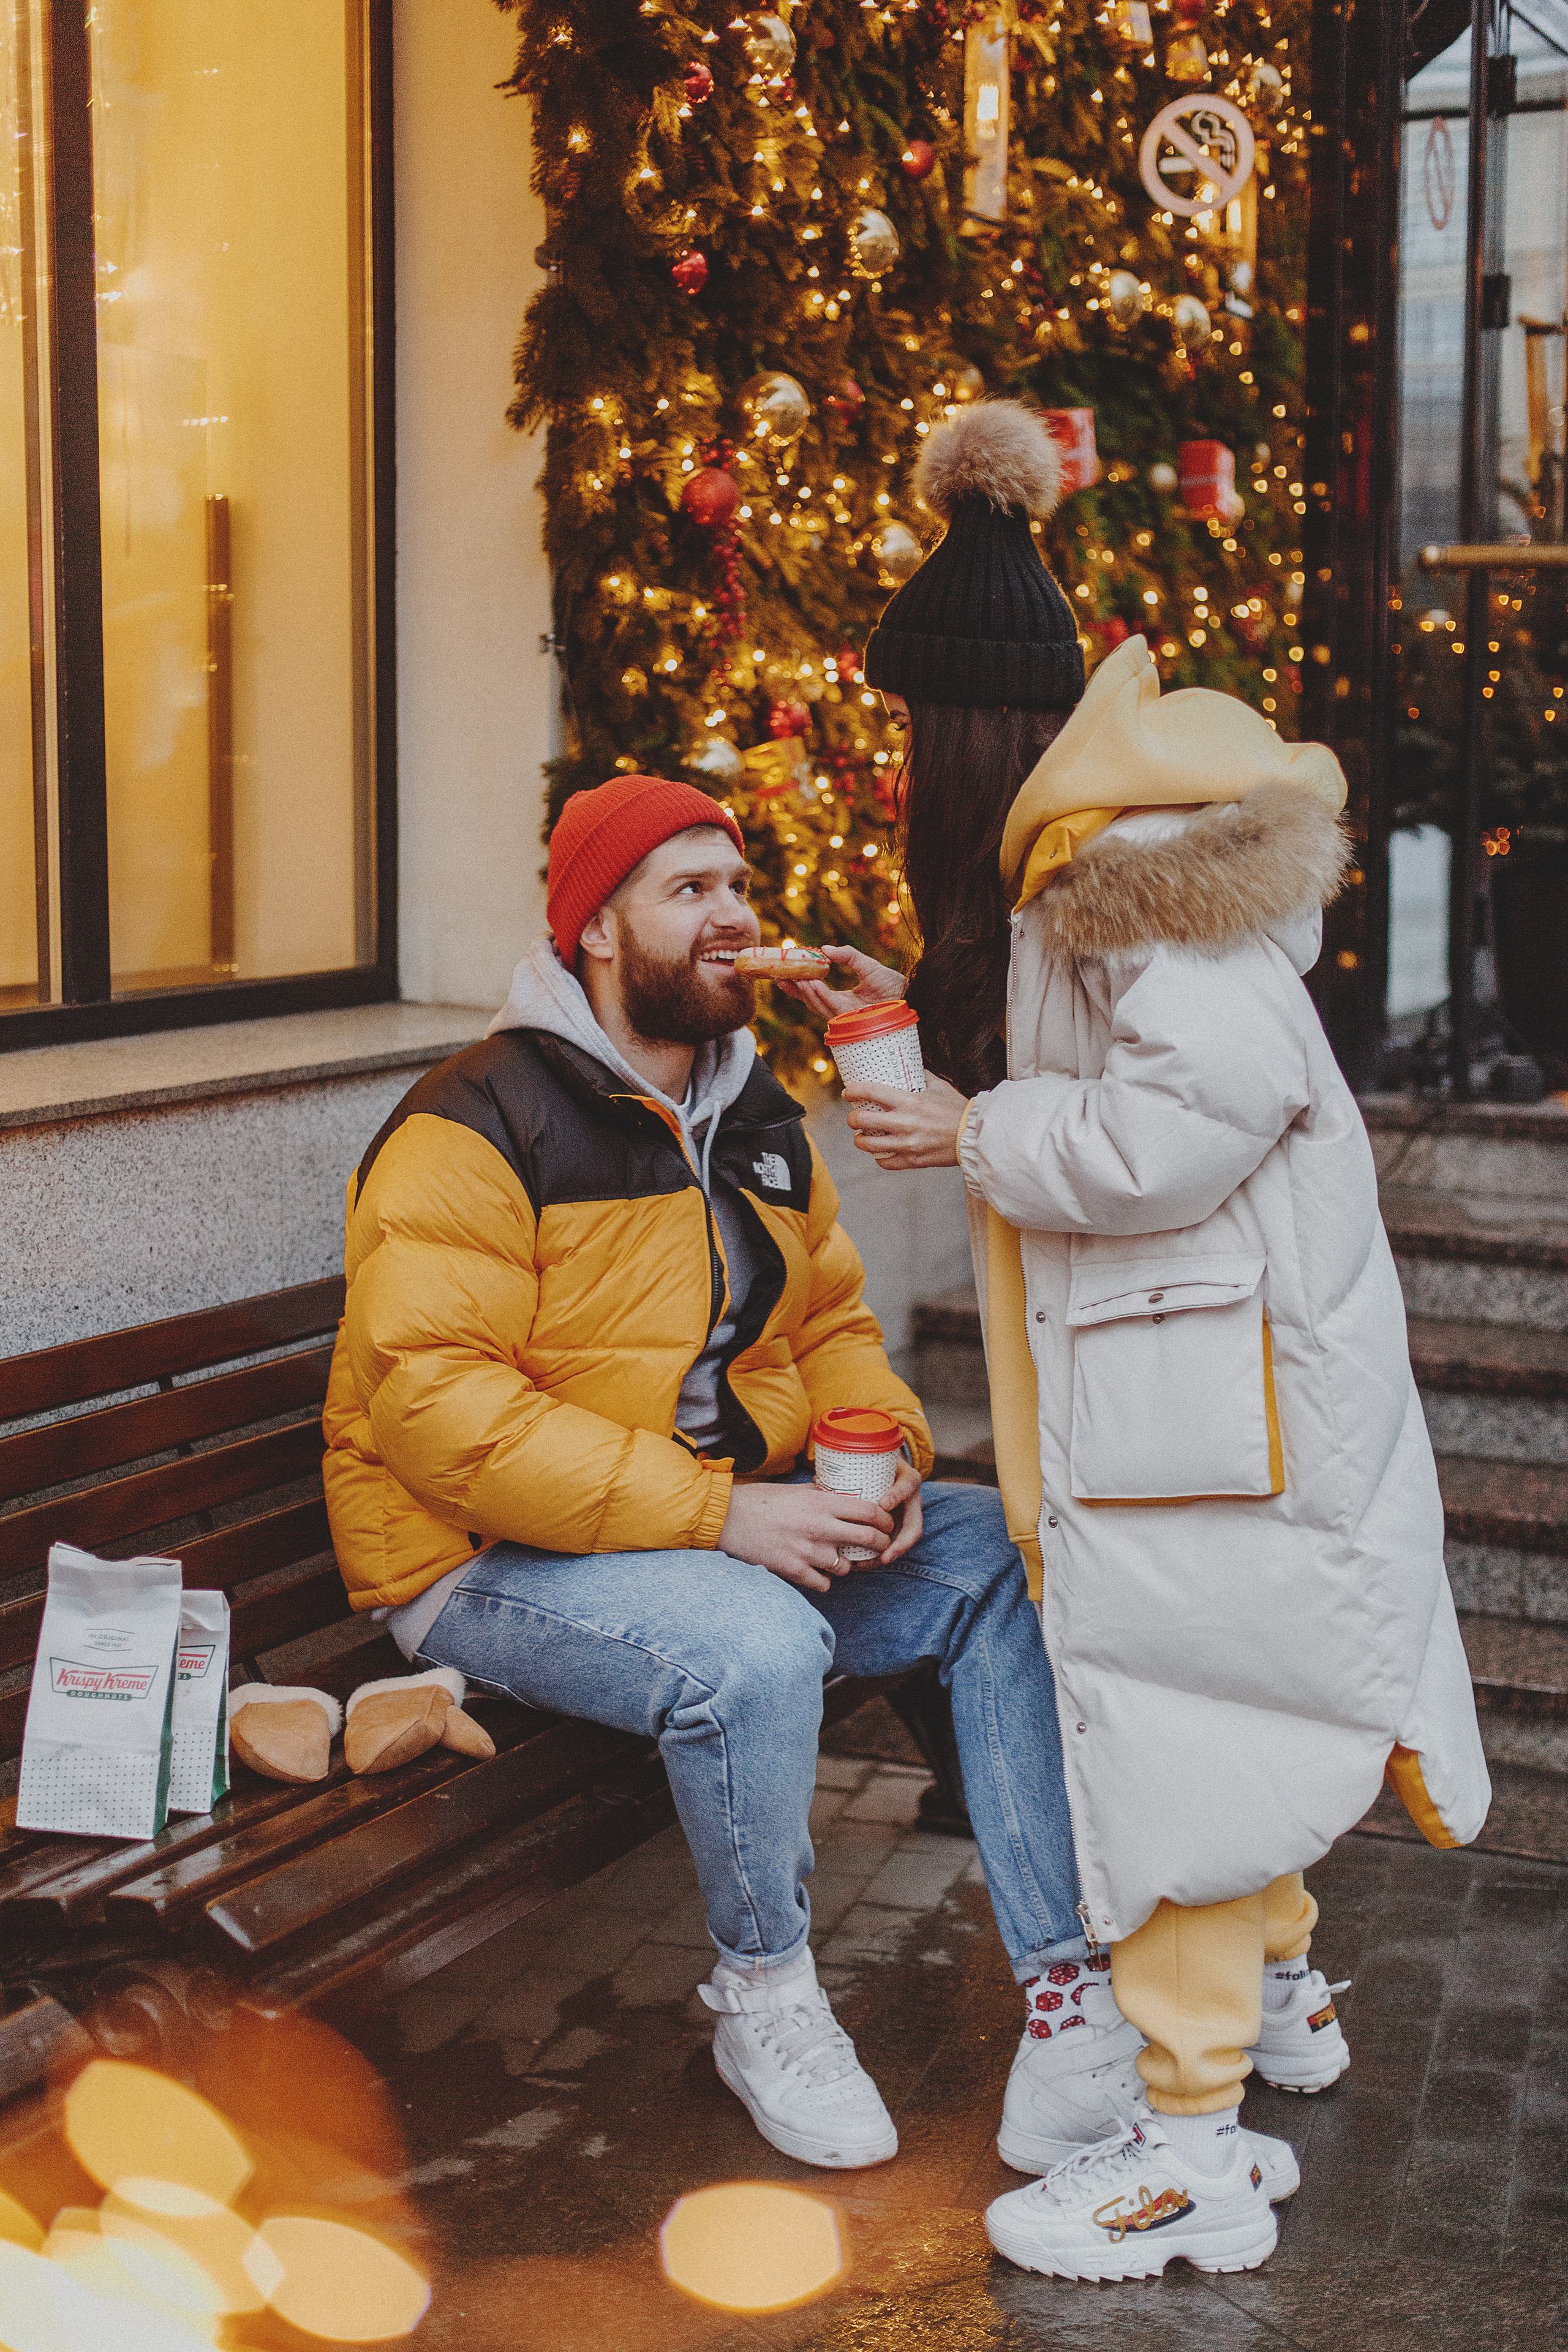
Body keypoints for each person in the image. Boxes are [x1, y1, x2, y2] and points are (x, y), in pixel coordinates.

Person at [787, 400, 1491, 2279]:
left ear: (983, 740)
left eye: (925, 736)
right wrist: (939, 1052)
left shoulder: (1122, 885)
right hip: (1221, 1394)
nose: (912, 769)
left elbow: (1191, 1119)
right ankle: (1278, 2007)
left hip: (1205, 1407)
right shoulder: (1129, 867)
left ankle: (1183, 2151)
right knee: (1226, 1708)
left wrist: (974, 1130)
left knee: (1169, 1741)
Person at [323, 769, 1174, 2177]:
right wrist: (728, 1515)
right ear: (598, 929)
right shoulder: (472, 1123)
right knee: (759, 1644)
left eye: (738, 887)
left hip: (699, 1535)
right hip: (480, 1563)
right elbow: (441, 1415)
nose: (735, 917)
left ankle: (1065, 1999)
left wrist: (881, 1456)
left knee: (992, 1553)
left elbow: (832, 1326)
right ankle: (764, 1996)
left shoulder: (758, 1112)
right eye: (690, 891)